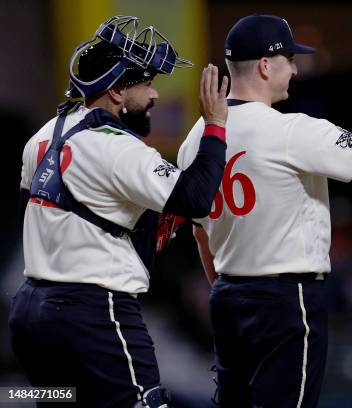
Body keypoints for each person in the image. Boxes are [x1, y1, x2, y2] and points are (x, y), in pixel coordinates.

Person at [177, 15, 352, 408]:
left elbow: (200, 233)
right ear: (266, 66)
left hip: (228, 298)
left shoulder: (196, 138)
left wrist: (226, 289)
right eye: (289, 58)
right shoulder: (290, 131)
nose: (296, 68)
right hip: (285, 300)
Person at [9, 15, 229, 407]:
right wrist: (214, 124)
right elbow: (197, 197)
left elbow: (62, 207)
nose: (154, 95)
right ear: (115, 91)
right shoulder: (117, 146)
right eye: (146, 83)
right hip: (93, 311)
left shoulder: (41, 136)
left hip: (30, 314)